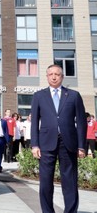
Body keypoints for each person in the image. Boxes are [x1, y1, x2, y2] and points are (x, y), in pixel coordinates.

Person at [31, 64, 87, 213]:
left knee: (70, 181)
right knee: (45, 183)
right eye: (51, 74)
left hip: (68, 143)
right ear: (47, 76)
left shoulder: (74, 95)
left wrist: (81, 146)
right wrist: (34, 145)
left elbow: (81, 122)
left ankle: (70, 211)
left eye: (57, 74)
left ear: (62, 77)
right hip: (46, 144)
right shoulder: (39, 96)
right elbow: (34, 122)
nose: (54, 77)